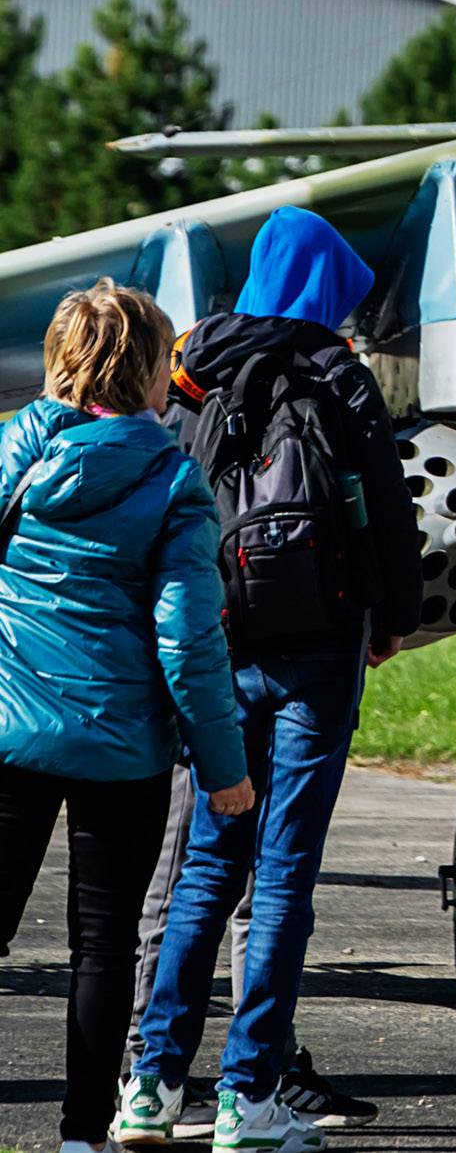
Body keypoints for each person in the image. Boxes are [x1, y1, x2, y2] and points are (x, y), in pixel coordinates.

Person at [121, 209, 423, 1153]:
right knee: (284, 873)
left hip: (219, 647)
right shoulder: (338, 372)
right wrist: (394, 617)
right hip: (321, 651)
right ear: (325, 287)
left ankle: (151, 1086)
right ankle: (249, 1096)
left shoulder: (191, 364)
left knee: (207, 866)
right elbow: (386, 507)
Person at [0, 281, 253, 1153]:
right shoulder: (174, 479)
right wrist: (224, 769)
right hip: (124, 747)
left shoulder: (17, 452)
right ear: (151, 371)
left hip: (10, 730)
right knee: (104, 948)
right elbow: (189, 640)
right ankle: (83, 1136)